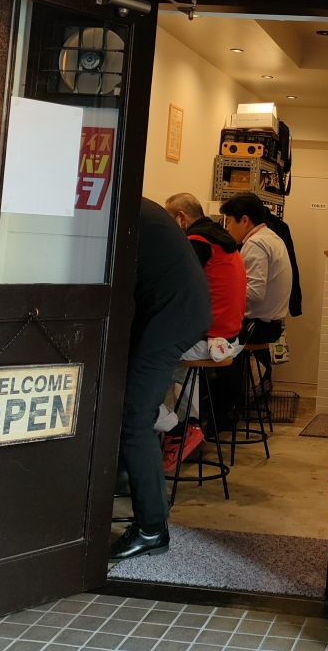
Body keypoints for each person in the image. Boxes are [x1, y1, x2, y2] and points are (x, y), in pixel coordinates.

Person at [110, 198, 212, 561]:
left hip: (171, 317)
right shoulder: (133, 205)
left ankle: (151, 529)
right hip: (176, 312)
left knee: (134, 418)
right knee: (129, 410)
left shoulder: (114, 206)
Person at [159, 193, 246, 448]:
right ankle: (188, 429)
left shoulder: (196, 242)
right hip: (229, 337)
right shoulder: (222, 240)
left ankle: (178, 430)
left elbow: (177, 289)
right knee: (178, 369)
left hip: (208, 339)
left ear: (181, 218)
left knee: (148, 362)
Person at [216, 193, 292, 427]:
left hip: (257, 326)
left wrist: (222, 293)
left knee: (215, 344)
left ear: (245, 220)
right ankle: (227, 409)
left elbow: (255, 292)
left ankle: (223, 415)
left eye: (229, 221)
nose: (227, 228)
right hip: (269, 325)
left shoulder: (256, 243)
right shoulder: (272, 237)